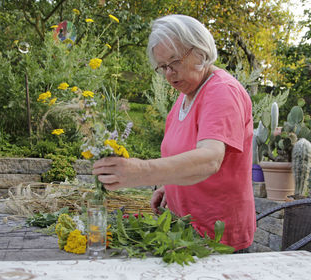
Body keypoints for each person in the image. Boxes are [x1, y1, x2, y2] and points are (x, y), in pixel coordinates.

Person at [92, 14, 256, 251]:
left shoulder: (222, 92)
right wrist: (169, 186)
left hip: (217, 238)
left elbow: (210, 159)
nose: (169, 73)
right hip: (184, 230)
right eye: (163, 67)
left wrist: (142, 171)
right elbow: (183, 153)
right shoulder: (185, 97)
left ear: (199, 51)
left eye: (174, 62)